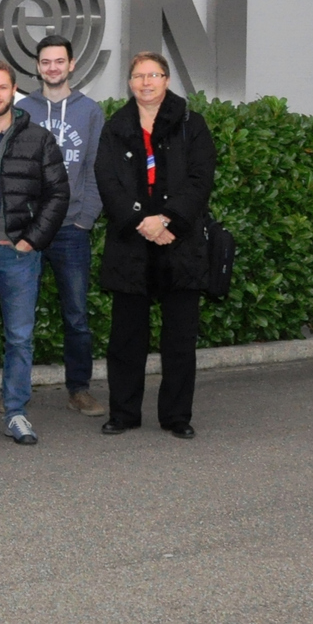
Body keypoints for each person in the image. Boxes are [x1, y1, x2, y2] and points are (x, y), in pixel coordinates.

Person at [95, 51, 214, 440]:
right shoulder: (116, 127)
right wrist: (141, 222)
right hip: (131, 244)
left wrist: (166, 220)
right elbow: (107, 180)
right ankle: (124, 413)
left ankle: (176, 415)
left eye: (154, 75)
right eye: (138, 76)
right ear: (129, 83)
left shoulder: (192, 124)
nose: (146, 83)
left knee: (179, 338)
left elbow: (200, 179)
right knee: (126, 338)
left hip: (179, 243)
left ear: (166, 79)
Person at [0, 61, 70, 446]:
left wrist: (31, 240)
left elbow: (58, 194)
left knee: (20, 338)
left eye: (2, 87)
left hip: (19, 255)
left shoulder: (38, 138)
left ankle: (16, 413)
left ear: (13, 91)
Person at [16, 34, 108, 417]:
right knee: (19, 317)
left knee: (77, 316)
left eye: (59, 61)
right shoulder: (22, 109)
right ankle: (16, 392)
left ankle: (79, 390)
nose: (52, 68)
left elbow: (97, 169)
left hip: (71, 229)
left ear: (71, 65)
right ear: (37, 67)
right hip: (28, 231)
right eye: (45, 62)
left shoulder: (90, 112)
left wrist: (86, 219)